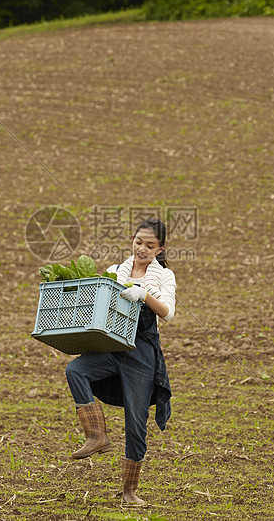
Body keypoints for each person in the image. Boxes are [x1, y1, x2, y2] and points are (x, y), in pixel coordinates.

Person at [64, 217, 177, 506]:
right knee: (76, 369)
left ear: (160, 248)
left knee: (136, 424)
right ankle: (97, 436)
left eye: (150, 245)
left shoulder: (165, 276)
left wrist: (144, 294)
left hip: (141, 353)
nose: (142, 249)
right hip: (113, 345)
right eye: (138, 242)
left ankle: (129, 492)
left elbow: (167, 312)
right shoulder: (116, 271)